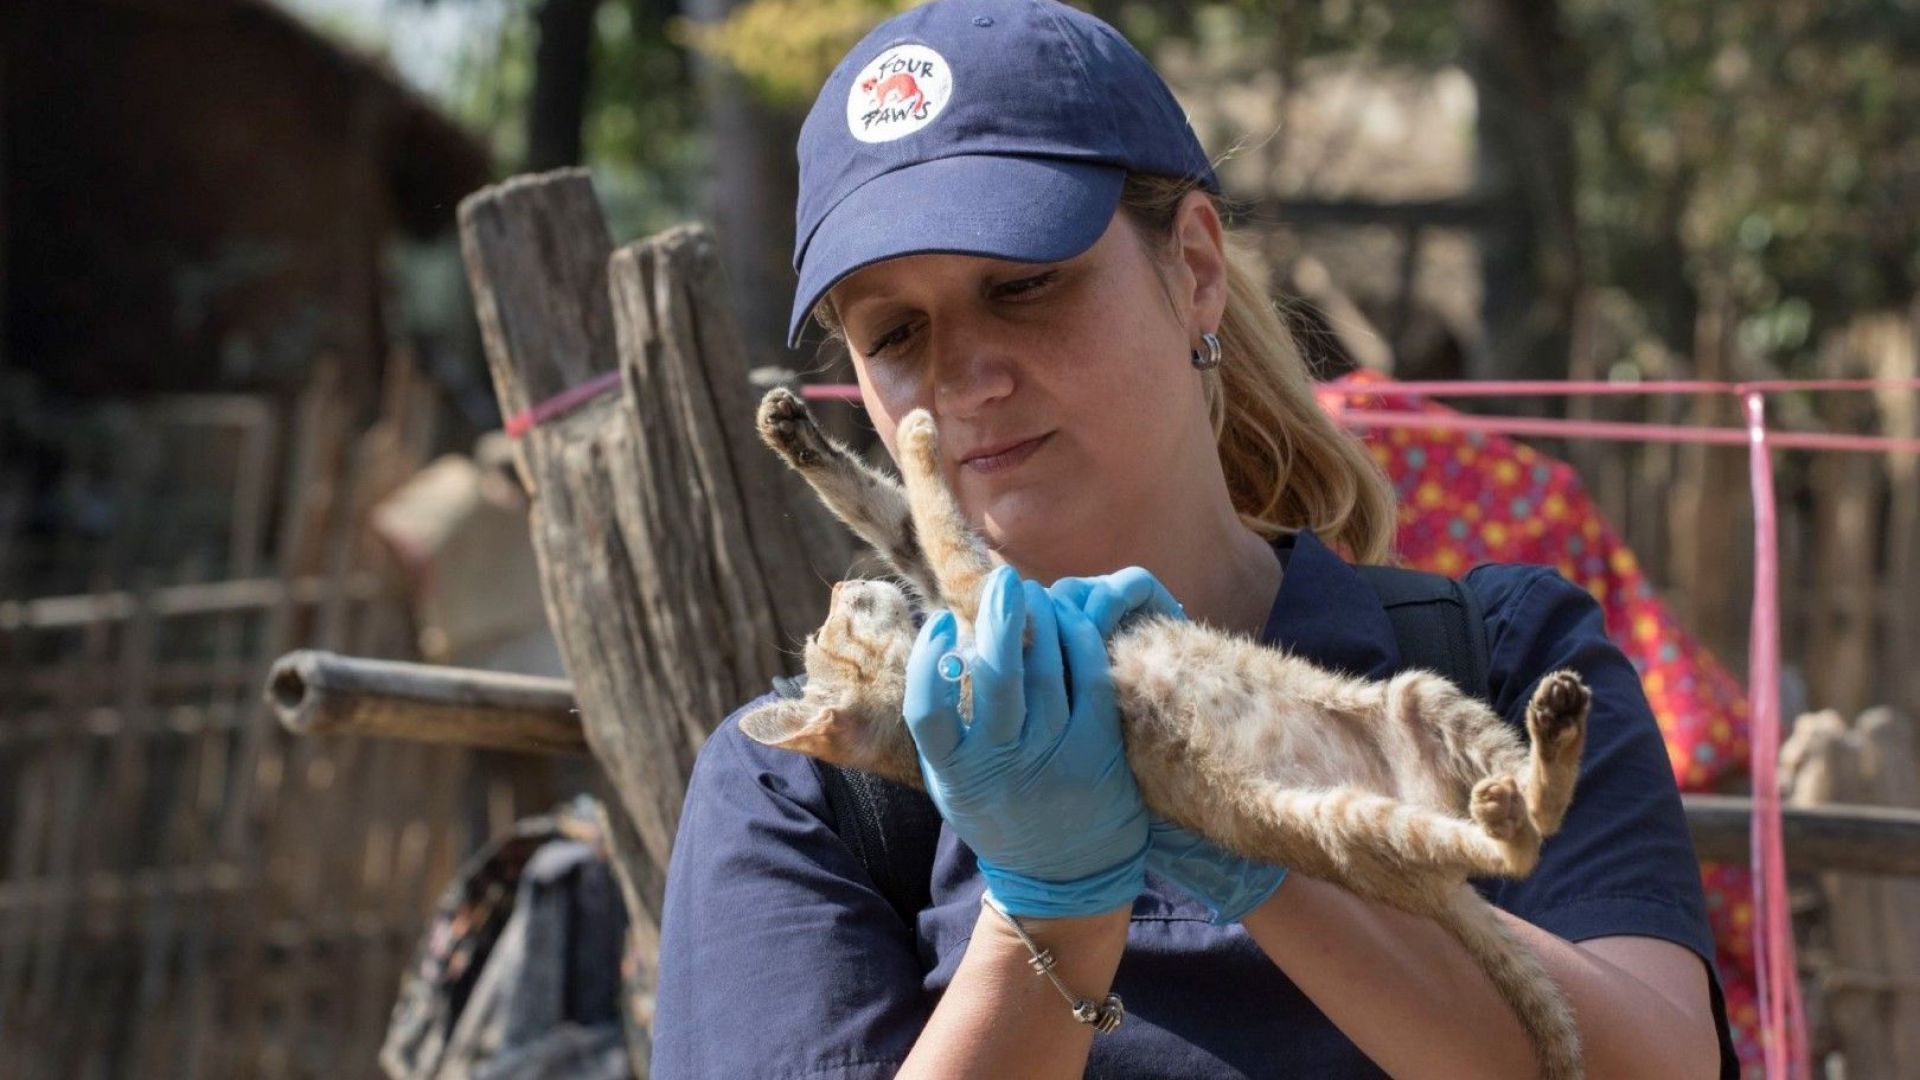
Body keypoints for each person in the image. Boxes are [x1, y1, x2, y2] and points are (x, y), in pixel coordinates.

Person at [651, 1, 1734, 1076]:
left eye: (1025, 284)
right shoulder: (806, 790)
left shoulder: (1503, 664)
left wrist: (1245, 827)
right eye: (894, 333)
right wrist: (1049, 914)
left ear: (1197, 270)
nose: (969, 379)